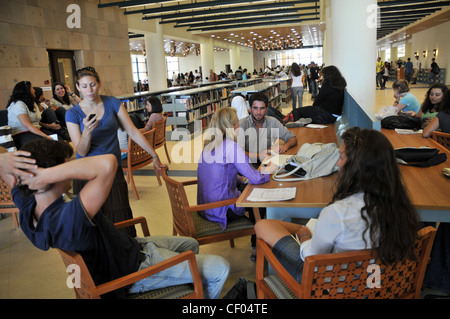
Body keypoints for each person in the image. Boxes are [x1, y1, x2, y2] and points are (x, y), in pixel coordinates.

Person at [0, 139, 229, 299]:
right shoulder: (67, 220)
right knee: (220, 267)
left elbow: (2, 157)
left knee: (191, 244)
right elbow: (108, 163)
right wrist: (48, 173)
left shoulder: (26, 200)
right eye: (65, 164)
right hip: (133, 271)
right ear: (49, 172)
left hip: (126, 249)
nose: (70, 169)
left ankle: (187, 283)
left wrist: (12, 165)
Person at [255, 127, 421, 284]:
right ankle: (305, 229)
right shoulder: (400, 206)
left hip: (330, 286)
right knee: (288, 227)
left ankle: (303, 233)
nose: (338, 164)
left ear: (355, 167)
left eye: (341, 157)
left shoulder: (337, 213)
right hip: (376, 283)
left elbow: (310, 256)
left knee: (263, 226)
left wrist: (305, 238)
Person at [65, 66, 167, 236]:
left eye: (92, 84)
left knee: (120, 216)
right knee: (93, 221)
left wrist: (154, 155)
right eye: (84, 86)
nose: (89, 90)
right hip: (87, 172)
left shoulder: (112, 102)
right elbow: (81, 151)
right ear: (77, 87)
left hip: (113, 169)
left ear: (99, 83)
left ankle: (128, 256)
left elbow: (133, 131)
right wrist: (87, 133)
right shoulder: (73, 114)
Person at [197, 107, 270, 230]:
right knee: (259, 195)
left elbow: (219, 173)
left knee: (245, 186)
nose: (239, 126)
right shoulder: (231, 147)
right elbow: (256, 178)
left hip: (204, 207)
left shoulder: (209, 145)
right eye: (237, 123)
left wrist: (239, 179)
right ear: (232, 126)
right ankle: (257, 240)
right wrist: (268, 169)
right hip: (222, 210)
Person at [238, 91, 297, 162]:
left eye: (262, 108)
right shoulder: (242, 124)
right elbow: (237, 153)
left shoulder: (273, 122)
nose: (258, 112)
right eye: (255, 108)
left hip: (268, 161)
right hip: (249, 165)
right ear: (250, 109)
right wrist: (259, 155)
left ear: (266, 109)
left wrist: (285, 146)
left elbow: (292, 138)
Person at [7, 81, 55, 148]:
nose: (34, 90)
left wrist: (48, 126)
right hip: (22, 133)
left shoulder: (32, 103)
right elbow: (27, 125)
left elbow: (37, 121)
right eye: (32, 88)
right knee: (46, 145)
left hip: (36, 130)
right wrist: (45, 136)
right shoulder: (18, 104)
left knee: (58, 140)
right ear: (26, 91)